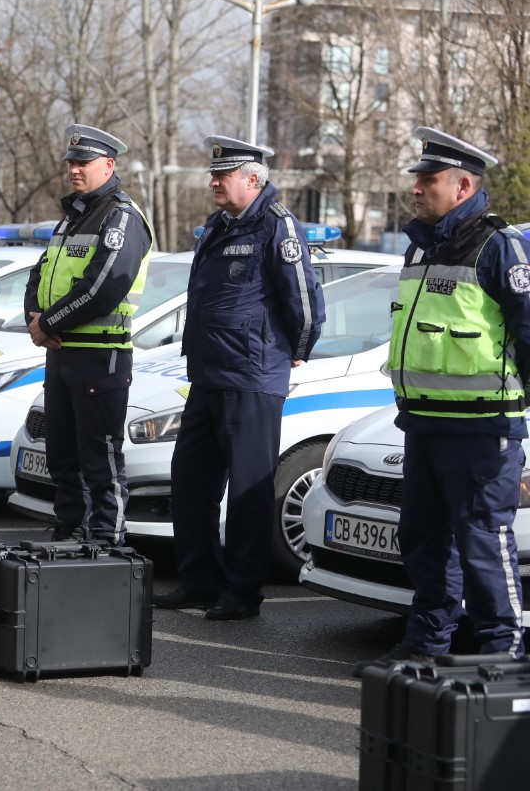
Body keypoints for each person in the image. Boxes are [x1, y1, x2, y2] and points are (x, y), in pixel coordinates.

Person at [352, 127, 528, 675]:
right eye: (418, 179)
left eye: (428, 180)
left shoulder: (498, 246)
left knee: (483, 545)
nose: (416, 189)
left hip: (482, 431)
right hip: (423, 425)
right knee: (424, 541)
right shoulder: (420, 246)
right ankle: (426, 647)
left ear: (463, 185)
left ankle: (505, 657)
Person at [154, 136, 325, 620]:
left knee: (249, 491)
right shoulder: (217, 226)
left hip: (251, 375)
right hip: (208, 373)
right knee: (190, 483)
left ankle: (243, 591)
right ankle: (198, 579)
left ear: (252, 179)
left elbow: (305, 299)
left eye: (222, 175)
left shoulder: (277, 225)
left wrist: (297, 350)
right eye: (213, 174)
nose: (213, 182)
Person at [24, 125, 153, 543]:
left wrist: (46, 324)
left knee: (100, 457)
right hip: (62, 353)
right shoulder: (73, 216)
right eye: (71, 163)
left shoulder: (121, 216)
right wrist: (34, 315)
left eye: (83, 163)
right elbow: (40, 273)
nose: (74, 170)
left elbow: (103, 287)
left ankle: (105, 541)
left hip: (101, 356)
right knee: (62, 454)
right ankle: (70, 531)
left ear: (109, 165)